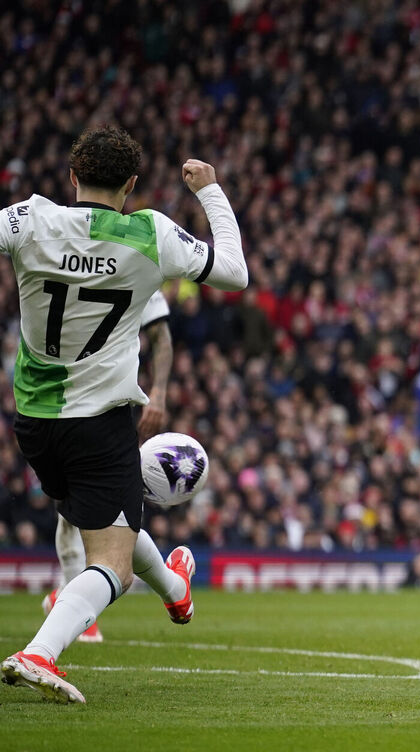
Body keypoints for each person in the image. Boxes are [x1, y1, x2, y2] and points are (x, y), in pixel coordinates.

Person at [0, 125, 248, 703]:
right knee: (111, 563)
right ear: (132, 184)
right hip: (101, 421)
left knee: (114, 520)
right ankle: (40, 653)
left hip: (34, 421)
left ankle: (174, 589)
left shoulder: (27, 220)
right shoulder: (150, 233)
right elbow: (235, 273)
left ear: (71, 179)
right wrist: (210, 191)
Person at [41, 289, 175, 644]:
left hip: (103, 404)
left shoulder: (143, 256)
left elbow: (160, 334)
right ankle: (173, 591)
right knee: (74, 509)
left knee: (84, 508)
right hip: (56, 399)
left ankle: (67, 599)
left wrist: (158, 393)